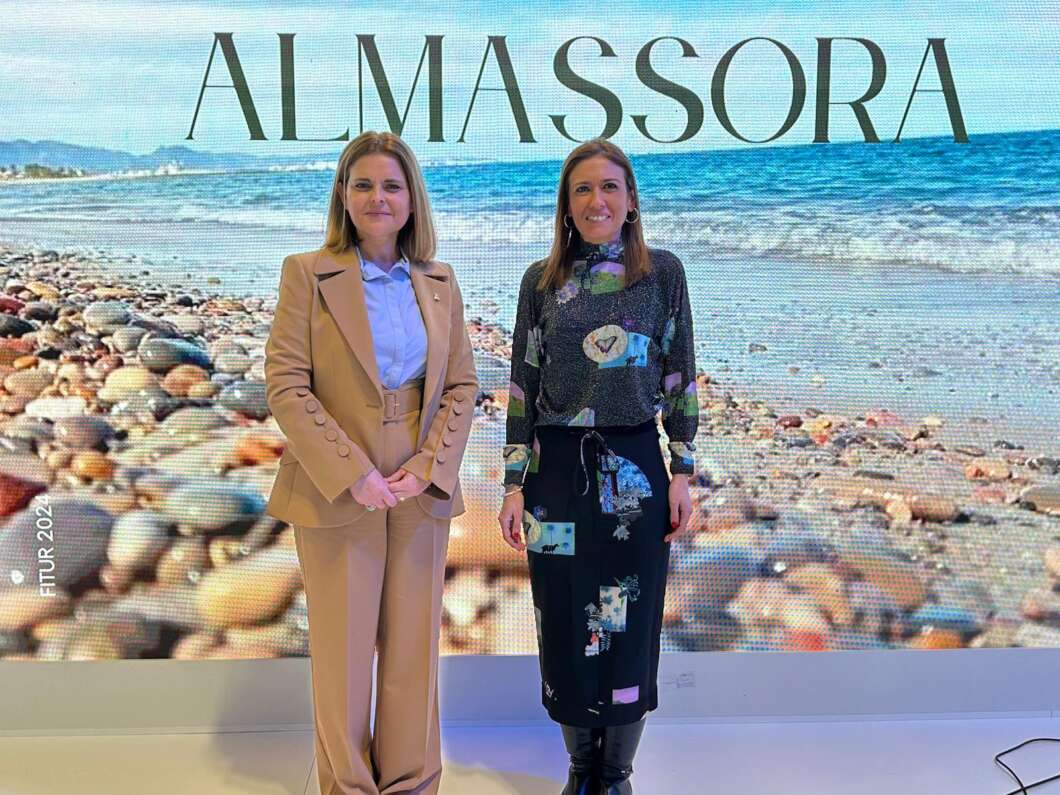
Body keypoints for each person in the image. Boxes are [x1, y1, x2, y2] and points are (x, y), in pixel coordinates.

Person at [264, 131, 478, 795]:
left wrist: (428, 465)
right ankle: (350, 788)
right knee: (344, 652)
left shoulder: (440, 281)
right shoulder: (307, 273)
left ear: (412, 199)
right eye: (363, 185)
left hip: (419, 479)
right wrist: (352, 471)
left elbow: (462, 386)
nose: (377, 197)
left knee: (414, 648)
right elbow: (286, 385)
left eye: (391, 185)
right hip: (336, 480)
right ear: (344, 195)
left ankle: (411, 783)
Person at [497, 138, 698, 794]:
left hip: (635, 472)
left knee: (628, 623)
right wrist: (513, 483)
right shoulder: (540, 282)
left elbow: (679, 375)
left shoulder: (663, 274)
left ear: (631, 199)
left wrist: (683, 469)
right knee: (564, 619)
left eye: (610, 186)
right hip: (555, 478)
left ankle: (615, 776)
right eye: (582, 188)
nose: (596, 200)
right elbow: (523, 386)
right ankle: (581, 771)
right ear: (566, 205)